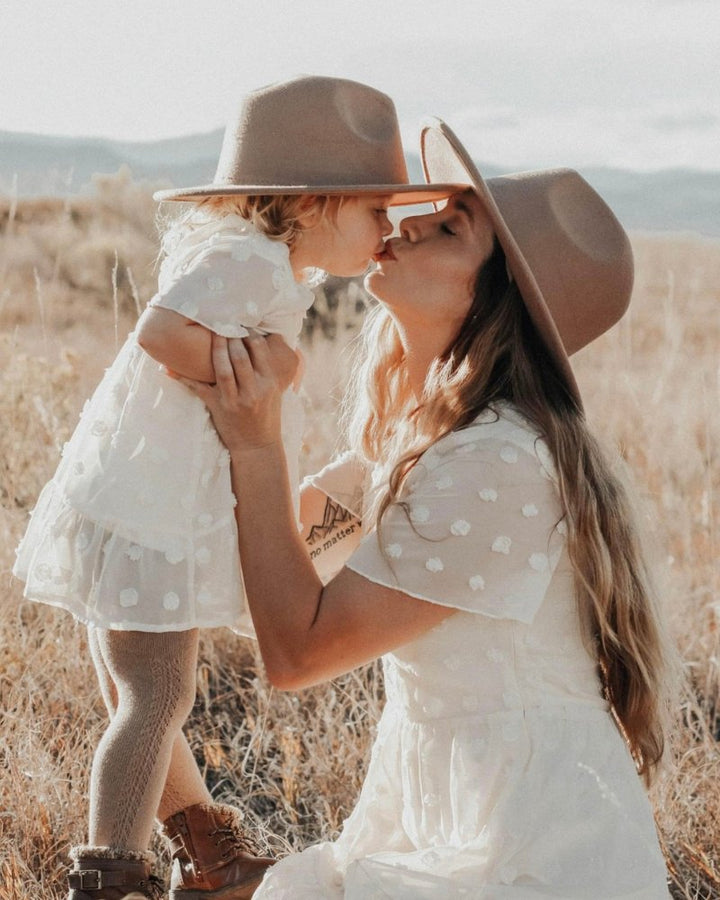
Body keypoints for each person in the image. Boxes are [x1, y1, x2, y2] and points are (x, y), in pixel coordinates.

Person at [181, 118, 674, 898]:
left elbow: (298, 652)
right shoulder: (417, 446)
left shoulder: (496, 464)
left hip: (528, 848)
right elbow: (267, 574)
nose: (408, 225)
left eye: (449, 229)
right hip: (446, 816)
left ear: (498, 299)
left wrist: (257, 444)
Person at [12, 78, 460, 900]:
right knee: (156, 697)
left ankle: (209, 856)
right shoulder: (251, 263)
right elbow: (159, 331)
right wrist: (271, 371)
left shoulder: (255, 260)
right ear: (315, 203)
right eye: (375, 211)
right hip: (154, 509)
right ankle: (111, 879)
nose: (387, 231)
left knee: (136, 692)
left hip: (133, 497)